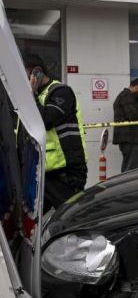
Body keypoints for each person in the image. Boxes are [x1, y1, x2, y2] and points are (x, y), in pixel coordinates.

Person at [23, 54, 88, 211]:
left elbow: (46, 120)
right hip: (41, 171)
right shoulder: (36, 96)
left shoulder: (61, 91)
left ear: (36, 72)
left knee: (73, 216)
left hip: (65, 172)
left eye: (23, 75)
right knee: (34, 219)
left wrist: (30, 94)